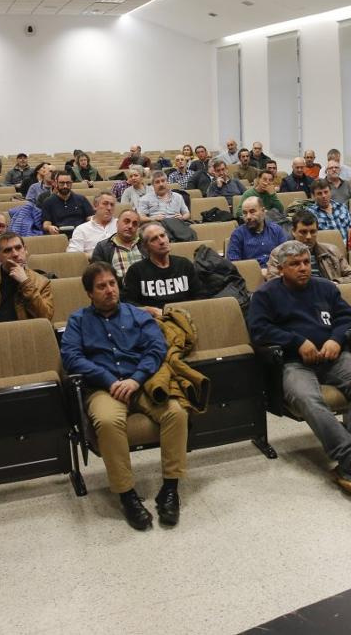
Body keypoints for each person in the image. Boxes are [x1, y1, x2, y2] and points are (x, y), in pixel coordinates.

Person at [248, 241, 351, 499]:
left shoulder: (326, 287)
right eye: (295, 264)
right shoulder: (265, 295)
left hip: (333, 356)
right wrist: (297, 341)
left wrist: (336, 339)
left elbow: (348, 318)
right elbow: (259, 330)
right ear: (281, 269)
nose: (303, 268)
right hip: (293, 362)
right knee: (309, 399)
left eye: (306, 262)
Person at [61, 261, 184, 530]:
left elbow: (156, 348)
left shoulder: (137, 315)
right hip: (102, 388)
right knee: (107, 422)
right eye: (101, 287)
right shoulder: (78, 321)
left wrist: (136, 378)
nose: (109, 290)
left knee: (176, 413)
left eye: (112, 284)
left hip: (141, 383)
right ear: (89, 293)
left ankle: (170, 489)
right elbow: (71, 357)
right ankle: (127, 494)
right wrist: (108, 380)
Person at [121, 222, 199, 318]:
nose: (162, 241)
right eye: (154, 239)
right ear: (145, 246)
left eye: (163, 235)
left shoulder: (184, 264)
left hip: (185, 317)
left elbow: (200, 295)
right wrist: (148, 310)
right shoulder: (136, 271)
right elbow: (127, 302)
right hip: (154, 320)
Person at [267, 211, 351, 283]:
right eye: (303, 232)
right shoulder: (278, 254)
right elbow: (274, 284)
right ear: (293, 231)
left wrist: (334, 283)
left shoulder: (332, 251)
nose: (308, 237)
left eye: (313, 232)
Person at [226, 197, 289, 270]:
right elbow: (234, 263)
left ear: (263, 211)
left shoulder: (276, 230)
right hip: (250, 273)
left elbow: (286, 257)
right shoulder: (238, 234)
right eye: (245, 213)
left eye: (252, 212)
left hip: (275, 272)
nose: (248, 217)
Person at [91, 208, 143, 280]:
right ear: (117, 223)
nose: (130, 226)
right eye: (126, 221)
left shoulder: (145, 244)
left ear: (137, 228)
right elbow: (98, 276)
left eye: (134, 224)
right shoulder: (102, 247)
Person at [310, 178, 351, 242]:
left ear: (330, 192)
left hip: (349, 244)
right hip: (327, 246)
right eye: (319, 193)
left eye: (326, 192)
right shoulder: (310, 214)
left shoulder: (342, 207)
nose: (324, 196)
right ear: (313, 196)